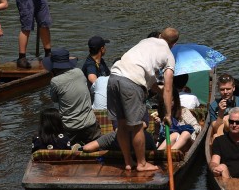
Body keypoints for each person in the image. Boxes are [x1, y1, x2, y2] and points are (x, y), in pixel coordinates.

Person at [107, 27, 179, 171]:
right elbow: (169, 87)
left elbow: (148, 77)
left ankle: (128, 162)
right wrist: (168, 114)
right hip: (131, 84)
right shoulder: (169, 55)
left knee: (121, 123)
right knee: (137, 125)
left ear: (159, 36)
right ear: (174, 44)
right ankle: (141, 163)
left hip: (114, 78)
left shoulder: (145, 41)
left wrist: (159, 92)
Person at [43, 47, 101, 144]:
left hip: (70, 129)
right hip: (91, 125)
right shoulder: (79, 72)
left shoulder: (55, 81)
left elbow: (54, 99)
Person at [208, 73, 239, 140]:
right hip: (222, 135)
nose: (225, 92)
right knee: (215, 137)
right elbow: (216, 129)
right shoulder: (214, 105)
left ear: (233, 88)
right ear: (218, 90)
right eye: (222, 89)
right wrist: (221, 113)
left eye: (228, 89)